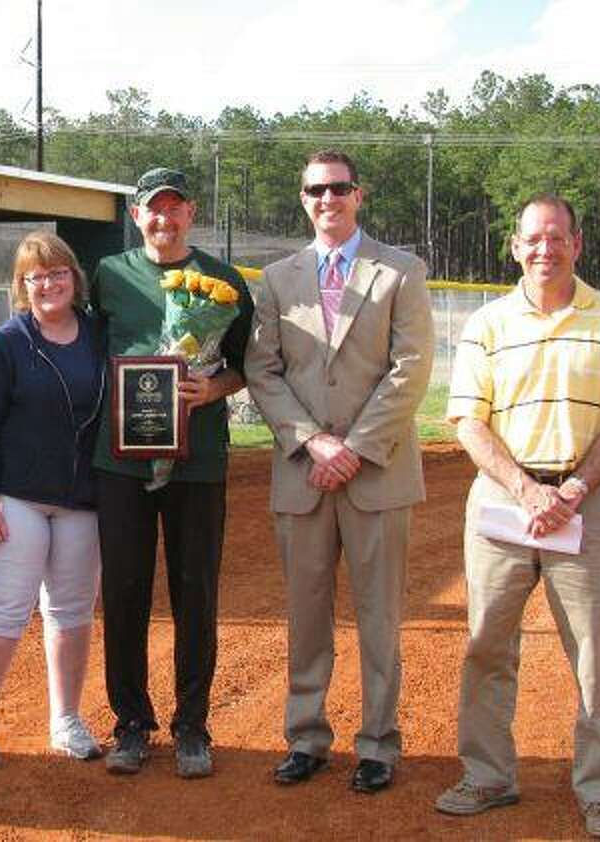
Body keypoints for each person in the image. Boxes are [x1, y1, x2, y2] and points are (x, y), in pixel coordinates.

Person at [435, 194, 600, 839]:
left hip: (585, 503)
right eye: (533, 239)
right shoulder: (487, 323)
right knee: (486, 649)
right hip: (504, 504)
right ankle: (488, 776)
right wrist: (527, 490)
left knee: (595, 655)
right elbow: (469, 421)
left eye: (556, 237)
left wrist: (576, 488)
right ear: (515, 246)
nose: (544, 249)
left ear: (577, 244)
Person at [244, 149, 433, 794]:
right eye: (316, 190)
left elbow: (411, 370)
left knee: (379, 614)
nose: (328, 199)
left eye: (339, 188)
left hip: (377, 473)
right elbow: (263, 371)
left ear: (360, 194)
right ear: (303, 198)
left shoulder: (402, 271)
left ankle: (378, 743)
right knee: (307, 612)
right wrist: (313, 444)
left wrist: (354, 447)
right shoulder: (276, 278)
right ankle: (307, 738)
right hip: (304, 472)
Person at [90, 167, 253, 778]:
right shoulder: (109, 275)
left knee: (196, 592)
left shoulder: (224, 280)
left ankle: (192, 726)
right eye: (152, 210)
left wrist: (212, 389)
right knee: (125, 591)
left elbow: (246, 366)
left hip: (198, 461)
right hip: (121, 464)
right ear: (136, 217)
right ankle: (130, 724)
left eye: (174, 208)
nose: (163, 219)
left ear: (191, 212)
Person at [0, 231, 106, 767]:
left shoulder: (99, 336)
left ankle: (66, 719)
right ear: (21, 285)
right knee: (4, 609)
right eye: (34, 276)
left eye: (57, 273)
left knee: (72, 613)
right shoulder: (4, 344)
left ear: (74, 278)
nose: (47, 284)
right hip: (16, 498)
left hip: (83, 499)